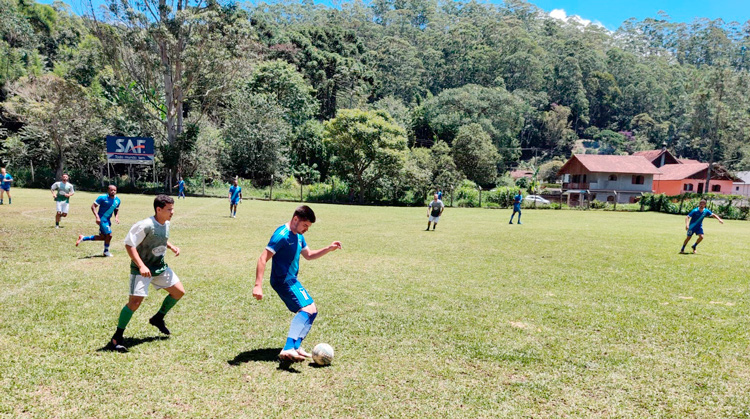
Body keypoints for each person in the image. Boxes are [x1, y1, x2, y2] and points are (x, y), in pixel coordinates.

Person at [253, 205, 342, 362]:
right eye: (305, 225)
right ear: (295, 219)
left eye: (308, 226)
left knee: (312, 310)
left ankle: (296, 346)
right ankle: (288, 348)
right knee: (307, 309)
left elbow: (309, 255)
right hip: (283, 280)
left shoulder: (299, 236)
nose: (306, 229)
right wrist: (258, 285)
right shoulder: (281, 235)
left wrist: (328, 248)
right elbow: (262, 258)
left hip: (291, 279)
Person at [107, 195, 184, 352]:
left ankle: (158, 318)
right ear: (158, 209)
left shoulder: (166, 223)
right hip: (142, 269)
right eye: (169, 209)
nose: (172, 212)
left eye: (173, 208)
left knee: (178, 292)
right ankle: (117, 337)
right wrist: (141, 266)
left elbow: (160, 238)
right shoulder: (145, 225)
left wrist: (171, 246)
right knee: (134, 303)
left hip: (159, 267)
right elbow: (129, 244)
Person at [76, 185, 121, 257]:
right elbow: (93, 206)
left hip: (108, 220)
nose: (113, 191)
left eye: (114, 190)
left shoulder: (118, 200)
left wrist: (116, 217)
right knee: (109, 235)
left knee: (103, 237)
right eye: (111, 190)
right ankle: (106, 251)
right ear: (108, 190)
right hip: (102, 219)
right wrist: (97, 217)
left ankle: (83, 238)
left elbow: (116, 210)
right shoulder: (102, 198)